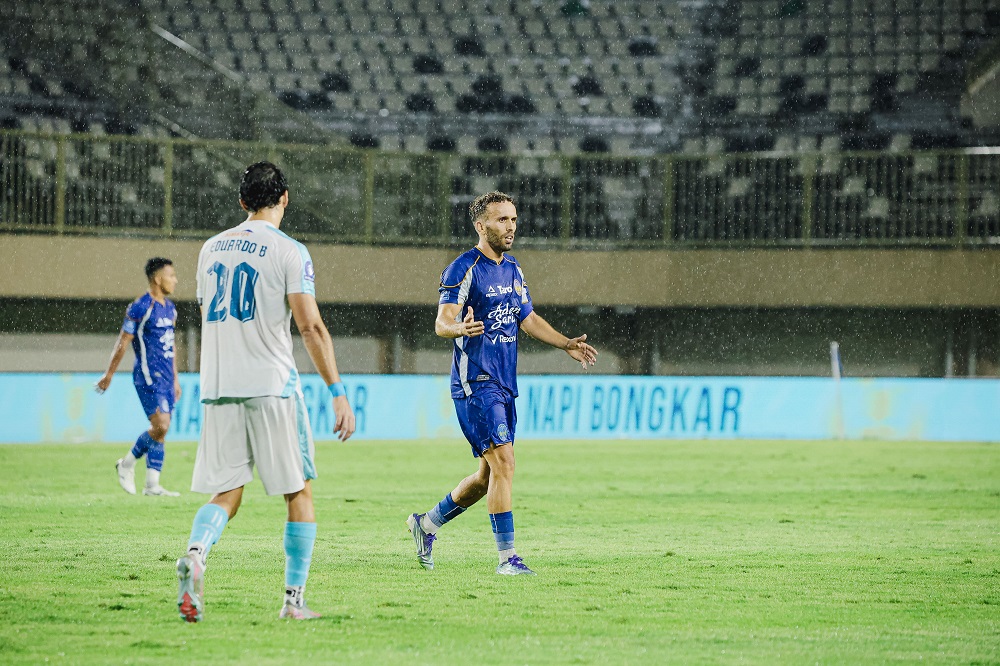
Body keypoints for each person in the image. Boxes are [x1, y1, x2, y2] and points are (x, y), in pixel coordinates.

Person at [176, 162, 356, 623]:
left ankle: (196, 554)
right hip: (272, 386)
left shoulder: (210, 249)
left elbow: (208, 314)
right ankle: (293, 602)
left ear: (241, 201)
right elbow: (310, 325)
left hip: (218, 386)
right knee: (299, 492)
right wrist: (337, 390)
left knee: (227, 492)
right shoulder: (289, 251)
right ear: (286, 198)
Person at [407, 191, 597, 575]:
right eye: (501, 220)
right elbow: (442, 321)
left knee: (487, 474)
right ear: (481, 225)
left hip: (505, 383)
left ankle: (425, 524)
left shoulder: (513, 268)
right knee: (505, 463)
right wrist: (457, 327)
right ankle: (507, 559)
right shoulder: (463, 268)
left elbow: (527, 318)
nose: (510, 227)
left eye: (512, 219)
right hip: (475, 382)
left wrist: (565, 344)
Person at [96, 257, 182, 497]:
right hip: (146, 375)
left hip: (165, 377)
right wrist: (109, 374)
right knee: (161, 424)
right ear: (157, 278)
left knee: (161, 429)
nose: (175, 280)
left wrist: (175, 378)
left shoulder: (170, 308)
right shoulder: (141, 307)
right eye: (171, 275)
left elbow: (170, 346)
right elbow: (123, 342)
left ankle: (152, 485)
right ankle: (127, 463)